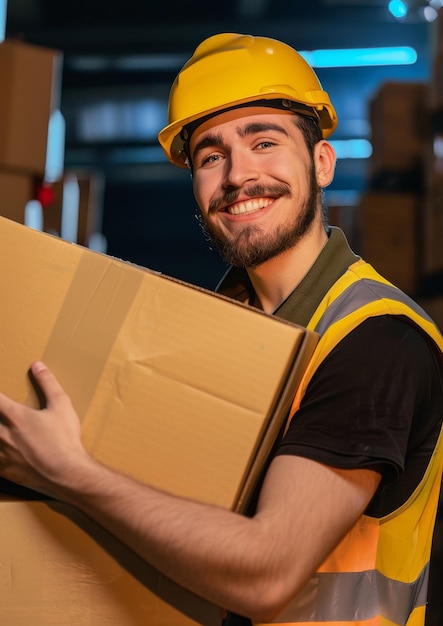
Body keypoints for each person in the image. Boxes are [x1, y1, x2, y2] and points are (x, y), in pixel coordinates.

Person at [0, 32, 442, 626]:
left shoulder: (374, 340)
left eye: (264, 141)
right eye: (211, 156)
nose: (238, 175)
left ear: (322, 162)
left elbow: (267, 573)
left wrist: (70, 472)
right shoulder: (219, 328)